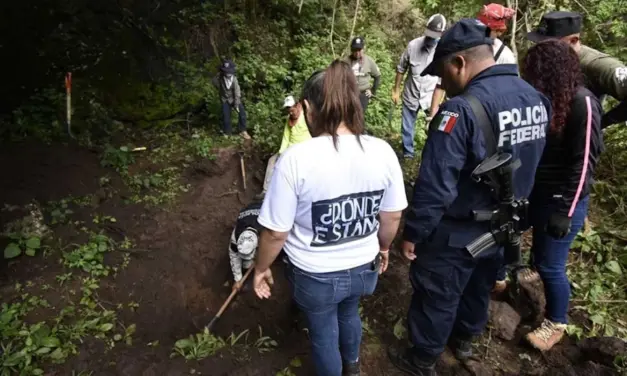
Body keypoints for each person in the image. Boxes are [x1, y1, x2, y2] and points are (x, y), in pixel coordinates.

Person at [388, 19, 550, 376]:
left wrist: (413, 233)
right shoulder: (535, 99)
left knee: (438, 291)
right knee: (479, 284)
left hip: (459, 229)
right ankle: (464, 342)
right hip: (504, 226)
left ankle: (423, 359)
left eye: (442, 72)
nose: (440, 83)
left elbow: (435, 186)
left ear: (459, 62)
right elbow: (538, 162)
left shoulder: (459, 111)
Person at [252, 60, 407, 376]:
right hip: (364, 268)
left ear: (308, 108)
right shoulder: (382, 152)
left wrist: (261, 268)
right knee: (350, 313)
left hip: (315, 275)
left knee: (323, 334)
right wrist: (385, 248)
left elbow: (275, 233)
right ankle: (353, 368)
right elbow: (391, 216)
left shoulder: (296, 160)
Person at [521, 40, 603, 351]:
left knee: (552, 264)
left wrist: (566, 210)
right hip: (538, 192)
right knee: (534, 254)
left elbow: (583, 165)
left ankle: (556, 321)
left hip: (563, 198)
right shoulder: (548, 101)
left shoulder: (582, 103)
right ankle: (523, 284)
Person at [527, 11, 627, 128]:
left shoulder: (596, 64)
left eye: (549, 43)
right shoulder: (545, 58)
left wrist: (603, 122)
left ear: (573, 40)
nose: (541, 47)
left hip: (581, 140)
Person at [392, 14, 447, 159]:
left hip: (431, 97)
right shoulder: (413, 45)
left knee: (434, 128)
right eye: (429, 34)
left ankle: (429, 155)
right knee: (407, 126)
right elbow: (400, 69)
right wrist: (396, 90)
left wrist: (436, 107)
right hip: (412, 93)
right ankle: (408, 155)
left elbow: (442, 82)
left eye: (434, 36)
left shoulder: (444, 51)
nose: (430, 38)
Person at [256, 95, 312, 199]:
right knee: (272, 160)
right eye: (289, 111)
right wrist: (281, 153)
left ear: (297, 106)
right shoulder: (289, 119)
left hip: (303, 149)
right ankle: (265, 191)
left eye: (292, 110)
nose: (291, 113)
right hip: (289, 149)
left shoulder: (306, 117)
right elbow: (286, 137)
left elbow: (312, 134)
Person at [212, 59, 251, 140]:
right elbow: (214, 82)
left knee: (242, 114)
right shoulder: (220, 78)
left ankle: (242, 131)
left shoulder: (234, 80)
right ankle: (227, 132)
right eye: (226, 71)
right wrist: (218, 75)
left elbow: (237, 93)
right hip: (224, 99)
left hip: (234, 98)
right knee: (226, 116)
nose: (228, 73)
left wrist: (236, 104)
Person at [228, 201, 263, 291]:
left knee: (249, 263)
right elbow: (234, 256)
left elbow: (276, 240)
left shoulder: (266, 232)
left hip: (263, 207)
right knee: (247, 264)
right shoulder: (235, 238)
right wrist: (238, 279)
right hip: (250, 211)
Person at [342, 36, 381, 114]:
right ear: (351, 50)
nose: (357, 53)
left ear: (363, 49)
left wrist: (372, 91)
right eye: (355, 50)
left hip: (363, 94)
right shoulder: (345, 62)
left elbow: (377, 76)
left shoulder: (369, 61)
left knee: (359, 115)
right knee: (347, 115)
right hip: (348, 93)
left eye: (359, 50)